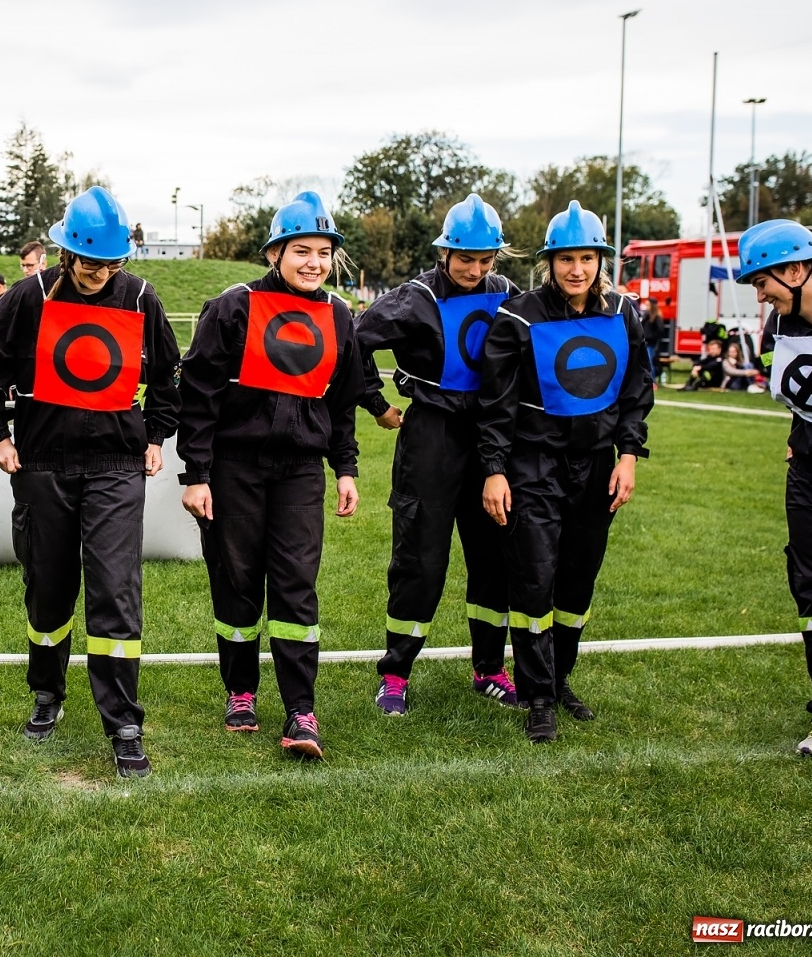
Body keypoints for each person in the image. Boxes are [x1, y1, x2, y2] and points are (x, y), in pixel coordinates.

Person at [0, 186, 181, 777]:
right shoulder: (26, 298)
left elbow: (166, 376)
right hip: (42, 464)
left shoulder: (139, 297)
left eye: (109, 264)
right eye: (88, 263)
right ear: (65, 255)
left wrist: (156, 438)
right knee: (48, 586)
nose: (98, 274)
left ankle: (124, 721)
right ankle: (47, 692)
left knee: (115, 590)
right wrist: (0, 437)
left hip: (116, 466)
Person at [178, 191, 362, 758]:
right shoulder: (233, 307)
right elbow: (199, 393)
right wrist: (196, 473)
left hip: (301, 473)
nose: (314, 262)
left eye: (323, 253)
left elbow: (343, 399)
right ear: (275, 253)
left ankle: (301, 711)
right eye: (301, 250)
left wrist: (346, 469)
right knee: (235, 581)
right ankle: (240, 691)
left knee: (295, 586)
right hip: (234, 470)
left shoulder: (337, 316)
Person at [477, 200, 653, 743]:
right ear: (549, 262)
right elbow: (496, 403)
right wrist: (494, 469)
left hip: (598, 466)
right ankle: (536, 696)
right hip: (534, 466)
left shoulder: (623, 312)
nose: (577, 269)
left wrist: (628, 455)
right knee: (534, 578)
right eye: (566, 259)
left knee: (578, 581)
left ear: (602, 260)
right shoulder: (518, 316)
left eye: (587, 258)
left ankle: (559, 681)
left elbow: (636, 390)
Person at [353, 193, 521, 715]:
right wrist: (377, 403)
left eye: (485, 259)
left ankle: (490, 668)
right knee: (420, 561)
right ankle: (396, 674)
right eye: (465, 258)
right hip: (431, 438)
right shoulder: (415, 296)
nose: (475, 269)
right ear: (444, 253)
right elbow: (354, 339)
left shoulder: (509, 293)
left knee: (495, 558)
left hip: (493, 439)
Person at [734, 220, 812, 756]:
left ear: (796, 269)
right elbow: (795, 396)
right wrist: (799, 436)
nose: (759, 295)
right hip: (808, 478)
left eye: (763, 282)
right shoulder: (775, 331)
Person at [639, 297, 663, 384]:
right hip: (645, 342)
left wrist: (651, 336)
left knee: (650, 362)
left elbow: (660, 331)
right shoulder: (647, 316)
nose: (646, 306)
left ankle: (652, 381)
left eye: (648, 305)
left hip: (651, 343)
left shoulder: (657, 317)